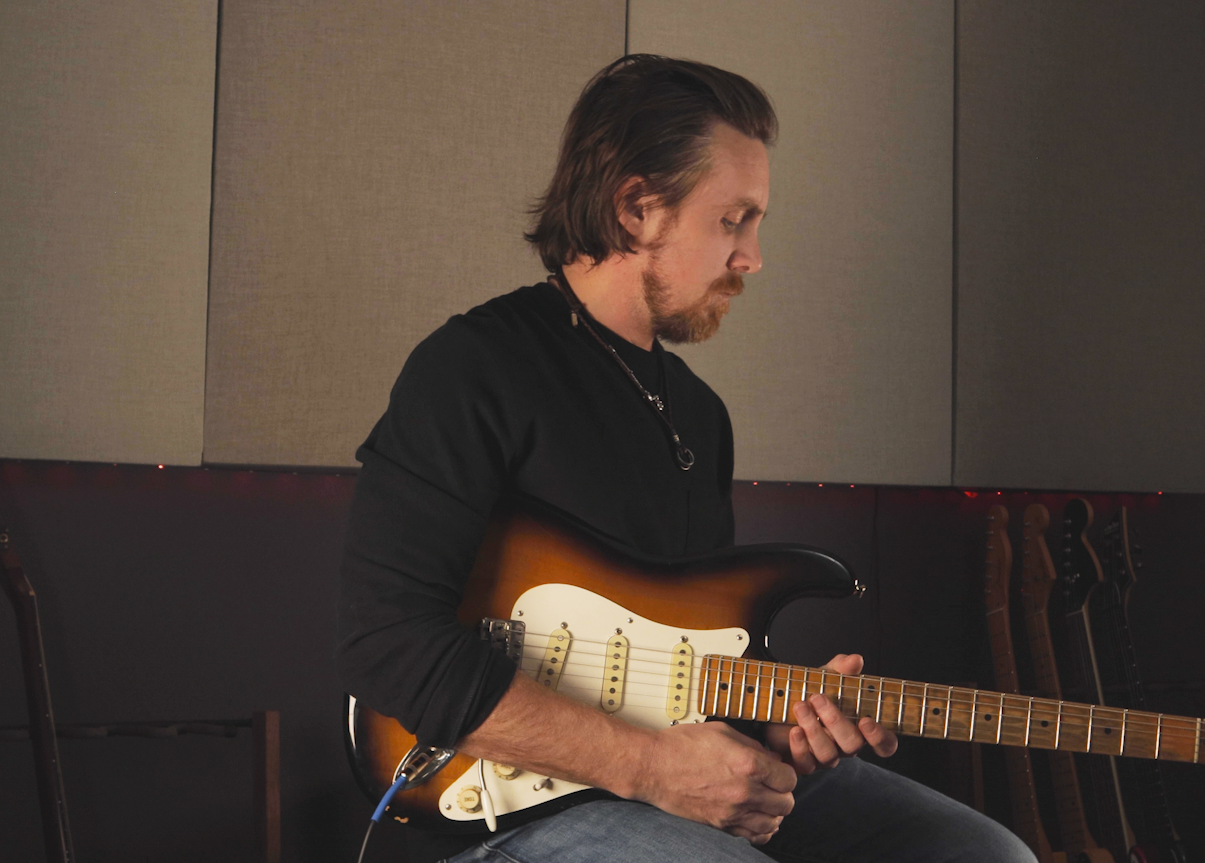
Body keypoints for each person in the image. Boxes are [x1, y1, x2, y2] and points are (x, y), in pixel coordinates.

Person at [337, 54, 1036, 863]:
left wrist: (778, 735)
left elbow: (689, 669)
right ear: (636, 209)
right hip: (509, 809)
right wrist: (647, 767)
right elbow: (388, 643)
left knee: (986, 856)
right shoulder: (473, 367)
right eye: (732, 220)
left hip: (661, 787)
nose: (752, 257)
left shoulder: (699, 413)